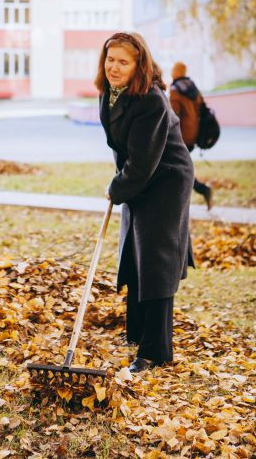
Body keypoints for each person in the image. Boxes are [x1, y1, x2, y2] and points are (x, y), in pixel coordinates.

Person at [95, 32, 195, 373]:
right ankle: (137, 333)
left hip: (165, 180)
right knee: (134, 254)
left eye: (124, 61)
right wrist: (122, 184)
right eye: (110, 59)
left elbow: (146, 160)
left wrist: (118, 186)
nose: (114, 67)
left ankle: (155, 351)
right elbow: (123, 149)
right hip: (139, 176)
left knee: (156, 261)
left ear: (139, 65)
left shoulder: (151, 99)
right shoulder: (109, 93)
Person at [169, 62, 213, 210]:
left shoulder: (175, 90)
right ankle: (200, 191)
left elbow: (173, 116)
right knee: (179, 168)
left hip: (180, 136)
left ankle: (200, 191)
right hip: (193, 135)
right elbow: (201, 109)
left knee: (178, 168)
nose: (172, 72)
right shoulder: (193, 88)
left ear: (176, 72)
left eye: (173, 70)